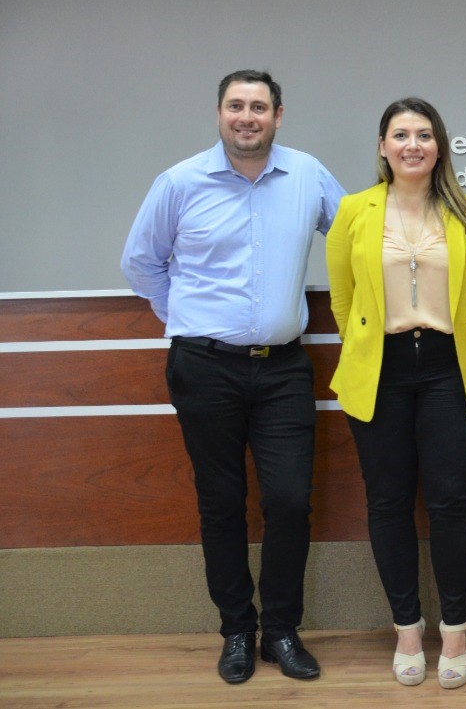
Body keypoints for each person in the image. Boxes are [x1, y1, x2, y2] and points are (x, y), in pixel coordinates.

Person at [121, 69, 344, 684]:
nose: (248, 117)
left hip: (284, 369)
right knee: (221, 504)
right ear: (219, 113)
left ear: (279, 115)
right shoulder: (180, 181)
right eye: (236, 106)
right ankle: (237, 632)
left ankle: (282, 631)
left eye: (259, 107)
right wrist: (187, 318)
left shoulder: (307, 175)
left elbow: (356, 236)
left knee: (290, 500)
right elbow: (140, 263)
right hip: (204, 368)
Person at [326, 97, 466, 690]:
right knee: (388, 502)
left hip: (448, 368)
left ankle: (455, 630)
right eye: (400, 135)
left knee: (452, 502)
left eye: (424, 134)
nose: (412, 145)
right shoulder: (354, 210)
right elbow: (343, 299)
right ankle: (406, 629)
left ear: (439, 146)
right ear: (382, 146)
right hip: (381, 370)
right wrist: (370, 347)